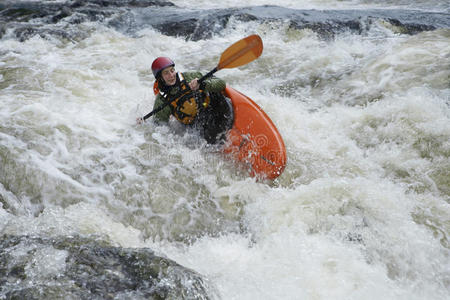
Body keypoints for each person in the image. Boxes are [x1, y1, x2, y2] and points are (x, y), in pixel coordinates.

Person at [137, 57, 234, 144]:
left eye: (172, 70)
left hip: (216, 109)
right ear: (160, 78)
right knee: (210, 137)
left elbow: (221, 84)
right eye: (166, 73)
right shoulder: (162, 101)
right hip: (198, 124)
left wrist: (202, 84)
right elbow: (159, 127)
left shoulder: (190, 76)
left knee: (216, 97)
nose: (171, 75)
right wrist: (144, 125)